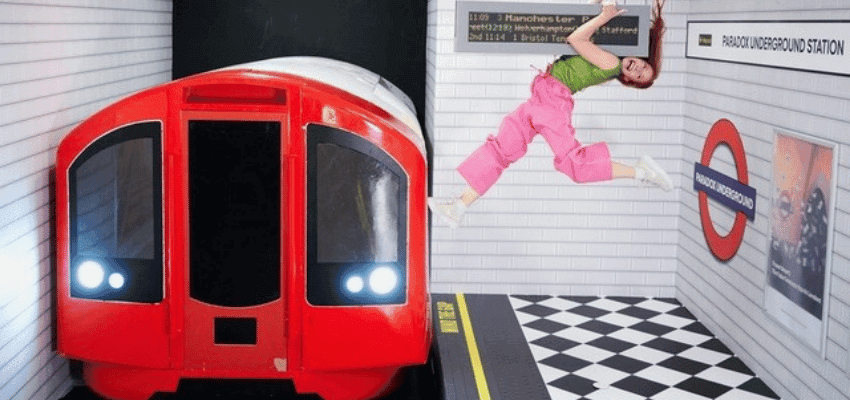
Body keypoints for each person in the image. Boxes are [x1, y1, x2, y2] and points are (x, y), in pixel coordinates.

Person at [429, 0, 671, 228]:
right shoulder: (613, 54)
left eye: (639, 75)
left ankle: (640, 171)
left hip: (551, 104)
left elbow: (575, 39)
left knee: (574, 163)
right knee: (501, 149)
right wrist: (601, 10)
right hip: (541, 99)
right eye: (643, 66)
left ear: (627, 80)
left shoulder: (611, 63)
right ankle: (459, 207)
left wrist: (605, 15)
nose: (637, 68)